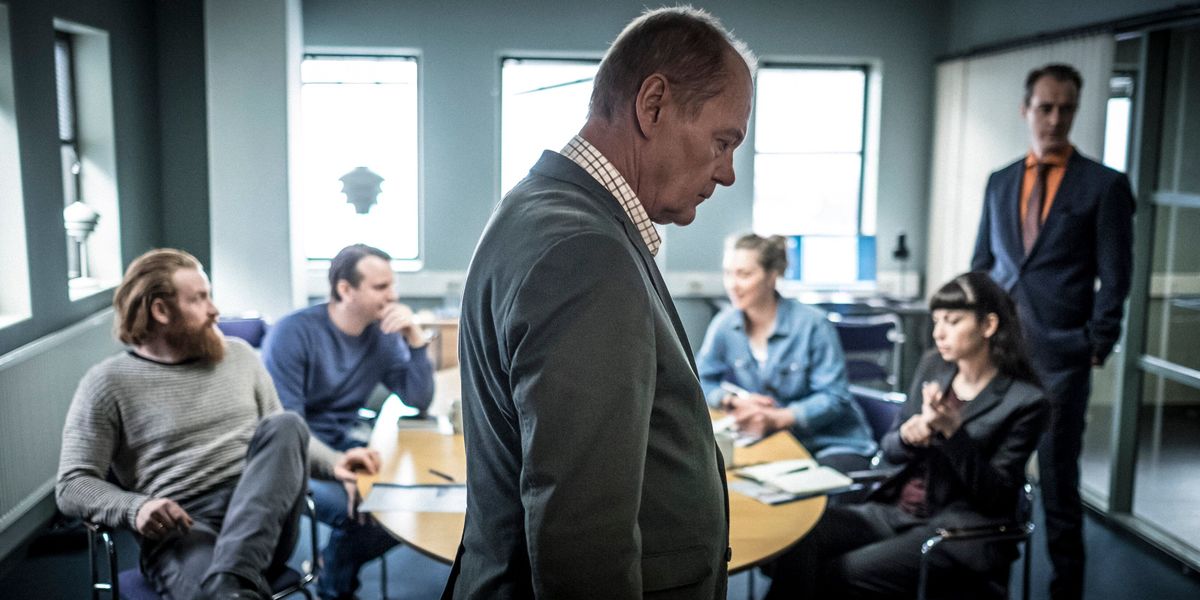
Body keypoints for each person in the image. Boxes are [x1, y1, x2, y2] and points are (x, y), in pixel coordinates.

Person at [442, 7, 755, 599]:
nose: (728, 173)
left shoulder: (542, 209)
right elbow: (583, 540)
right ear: (653, 104)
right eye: (723, 141)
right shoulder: (584, 252)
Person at [56, 249, 377, 600]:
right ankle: (233, 581)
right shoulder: (107, 383)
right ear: (160, 311)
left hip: (263, 520)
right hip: (184, 530)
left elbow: (283, 446)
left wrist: (335, 463)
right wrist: (135, 508)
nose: (214, 310)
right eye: (199, 299)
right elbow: (72, 484)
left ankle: (230, 580)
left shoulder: (240, 356)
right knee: (223, 591)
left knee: (286, 424)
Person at [764, 272, 1049, 599]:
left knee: (840, 574)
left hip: (958, 529)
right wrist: (907, 437)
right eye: (937, 320)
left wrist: (953, 433)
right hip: (897, 511)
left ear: (988, 325)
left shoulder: (1025, 402)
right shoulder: (934, 367)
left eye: (952, 321)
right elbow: (889, 451)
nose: (938, 333)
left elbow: (996, 496)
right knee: (797, 541)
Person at [971, 63, 1134, 600]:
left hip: (1063, 358)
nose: (1056, 118)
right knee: (990, 474)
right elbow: (984, 264)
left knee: (1059, 485)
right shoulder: (1000, 181)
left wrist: (1096, 343)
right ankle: (987, 580)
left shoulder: (1104, 185)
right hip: (999, 355)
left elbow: (1116, 275)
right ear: (1026, 109)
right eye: (1046, 107)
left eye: (1067, 108)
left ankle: (1067, 590)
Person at [261, 243, 435, 600]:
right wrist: (337, 465)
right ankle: (335, 589)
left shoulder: (383, 335)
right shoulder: (292, 334)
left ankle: (331, 566)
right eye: (381, 287)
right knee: (368, 514)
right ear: (345, 289)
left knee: (409, 502)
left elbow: (417, 399)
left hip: (348, 443)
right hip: (293, 455)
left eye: (392, 285)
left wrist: (416, 340)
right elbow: (289, 427)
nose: (393, 296)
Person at [697, 233, 876, 471]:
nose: (732, 285)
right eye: (728, 273)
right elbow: (700, 380)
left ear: (772, 276)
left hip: (832, 443)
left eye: (744, 274)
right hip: (775, 440)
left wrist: (776, 418)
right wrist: (731, 400)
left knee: (809, 489)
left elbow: (835, 397)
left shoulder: (813, 325)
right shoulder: (725, 325)